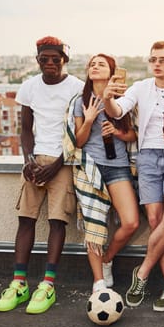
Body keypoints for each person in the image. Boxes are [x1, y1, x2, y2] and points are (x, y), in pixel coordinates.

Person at [102, 41, 164, 312]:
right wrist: (107, 97)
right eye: (153, 60)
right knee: (157, 220)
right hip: (148, 158)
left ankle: (143, 272)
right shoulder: (140, 87)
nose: (156, 64)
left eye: (162, 59)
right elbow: (117, 111)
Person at [0, 36, 84, 314]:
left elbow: (78, 134)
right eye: (44, 59)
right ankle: (19, 283)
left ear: (64, 60)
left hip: (64, 163)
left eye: (55, 59)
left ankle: (47, 285)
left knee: (57, 222)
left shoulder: (78, 87)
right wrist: (29, 161)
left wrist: (57, 164)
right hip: (36, 163)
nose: (49, 63)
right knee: (25, 220)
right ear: (37, 60)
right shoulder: (29, 86)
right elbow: (25, 130)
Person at [70, 54, 139, 293]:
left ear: (112, 72)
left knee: (130, 222)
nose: (95, 66)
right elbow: (78, 142)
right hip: (90, 169)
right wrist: (89, 121)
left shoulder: (123, 99)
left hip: (117, 166)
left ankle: (107, 259)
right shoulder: (81, 101)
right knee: (95, 226)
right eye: (91, 64)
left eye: (101, 64)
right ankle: (99, 282)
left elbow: (133, 135)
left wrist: (118, 133)